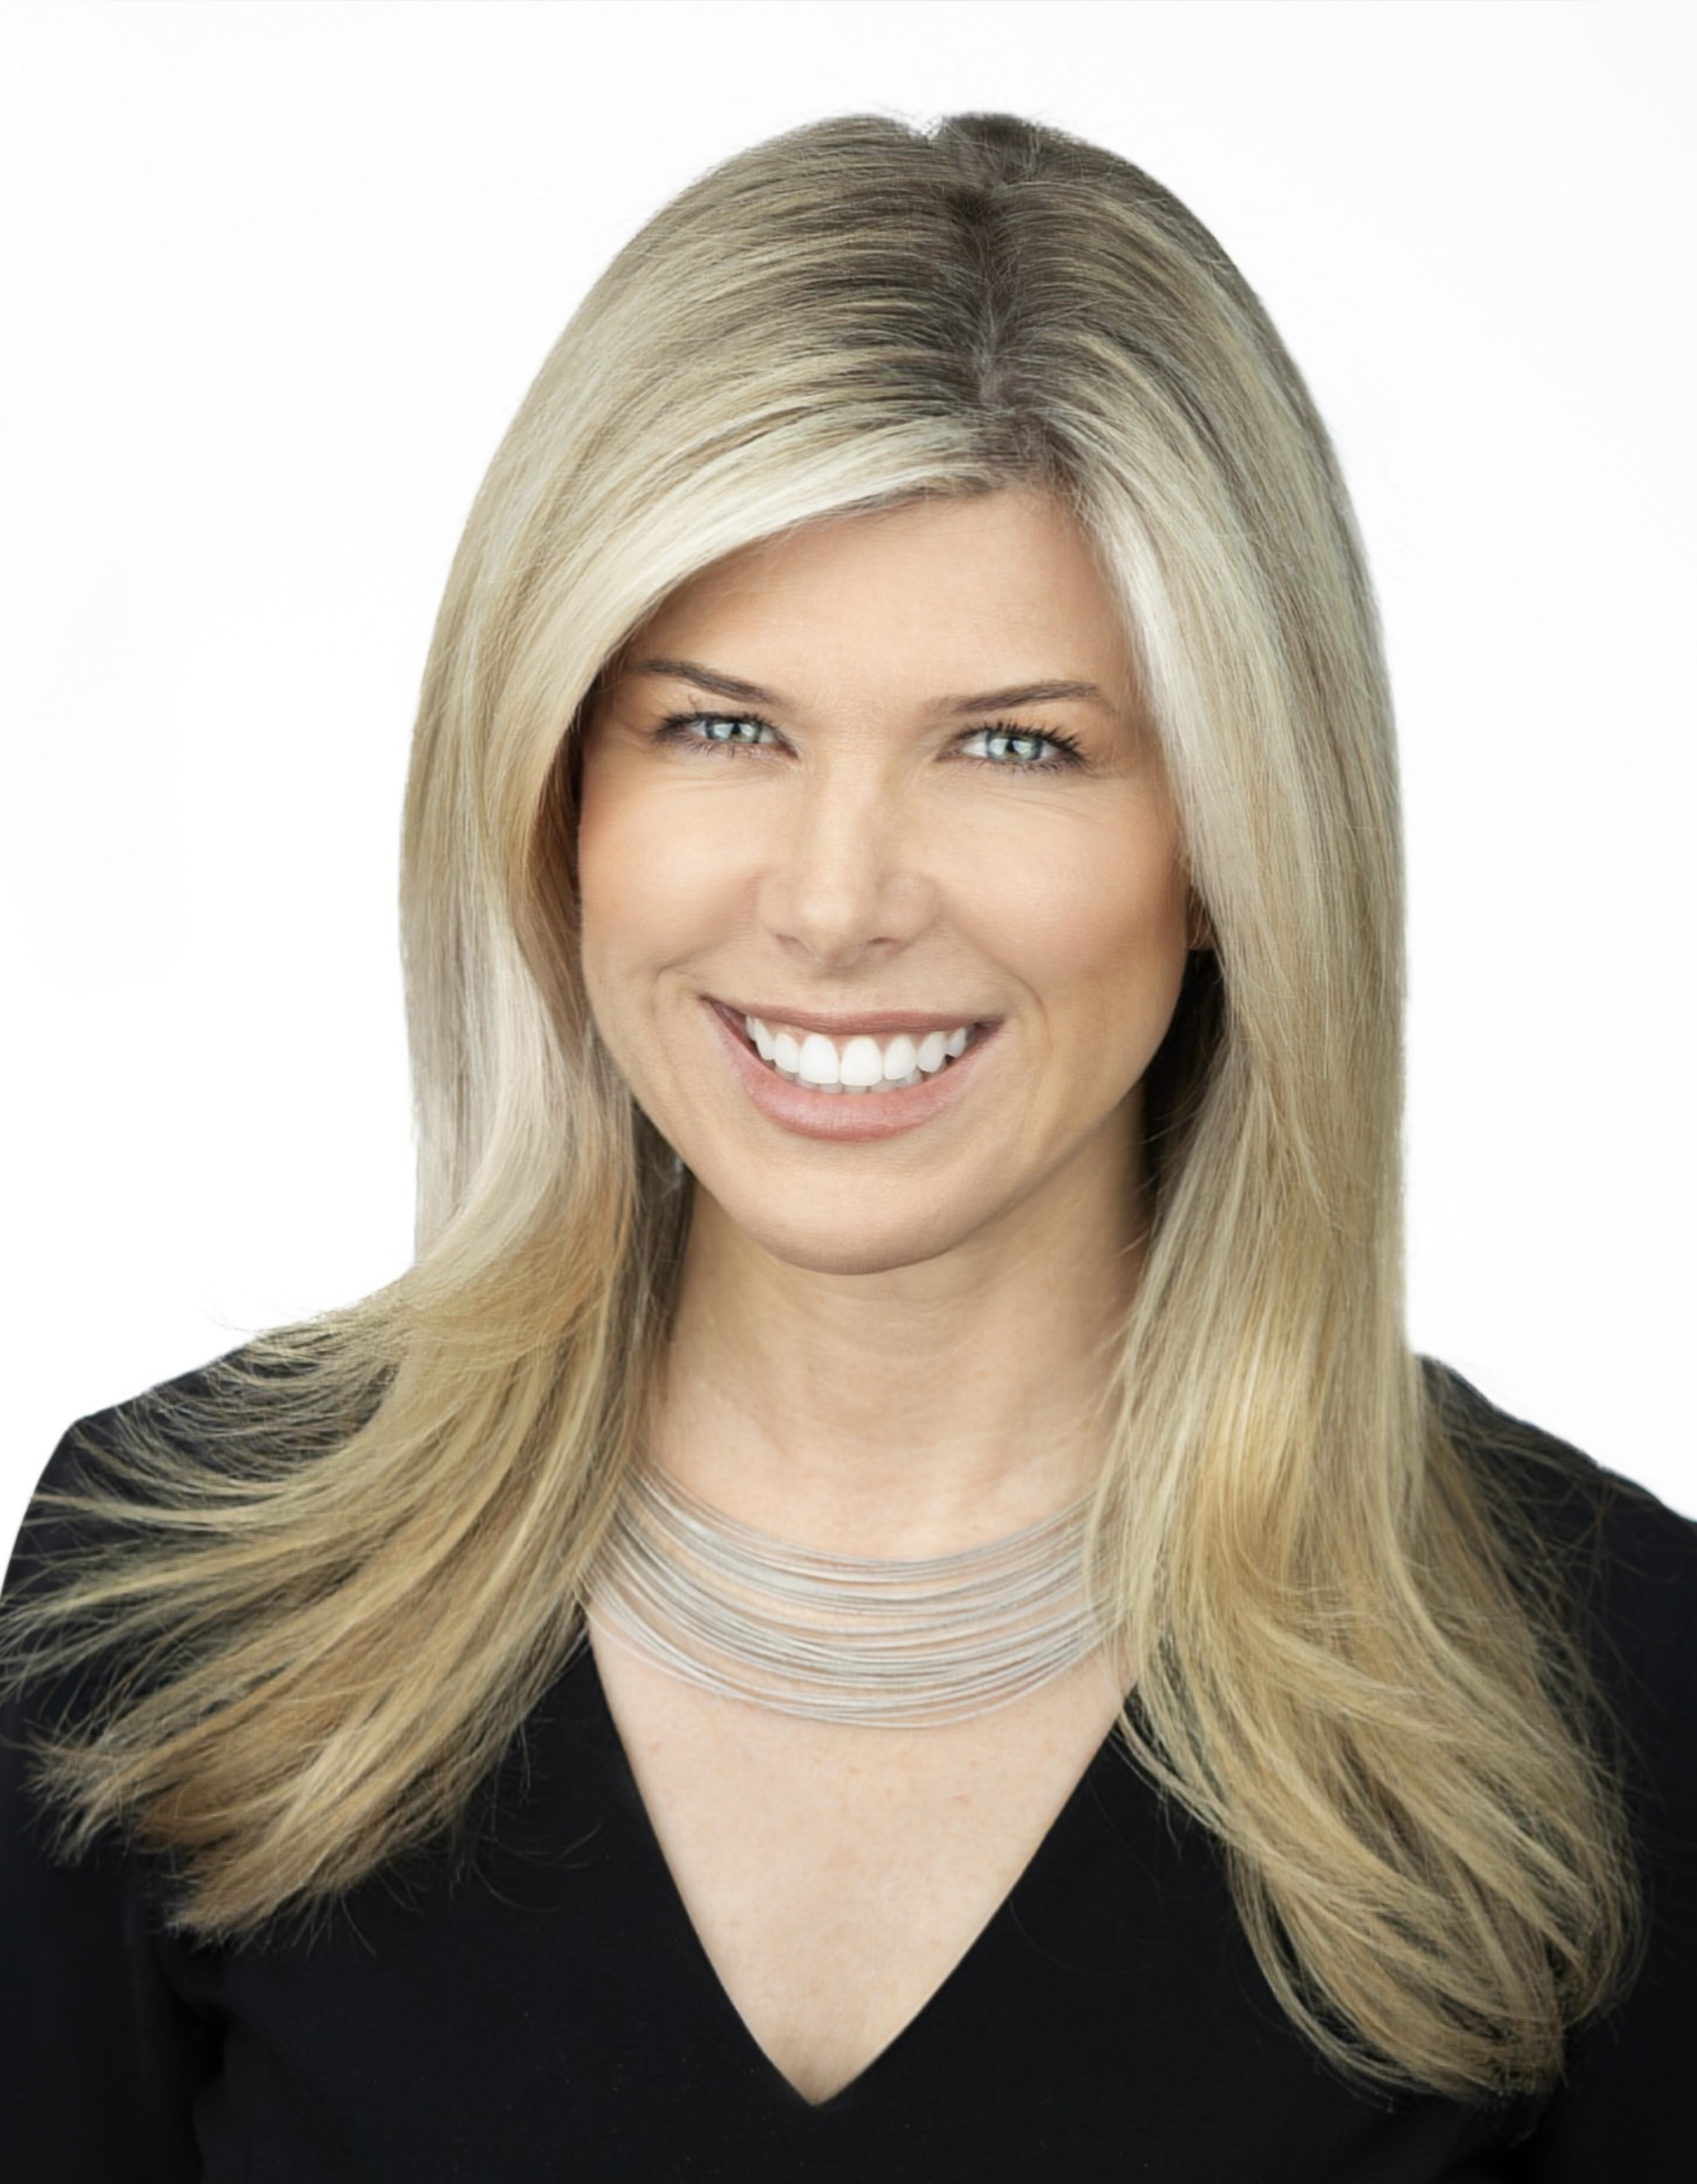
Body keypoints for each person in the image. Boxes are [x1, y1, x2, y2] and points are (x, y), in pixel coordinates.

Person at [2, 110, 1692, 2182]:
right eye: (721, 725)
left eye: (1015, 744)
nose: (832, 901)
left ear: (1232, 836)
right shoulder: (167, 1592)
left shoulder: (1611, 1693)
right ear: (554, 794)